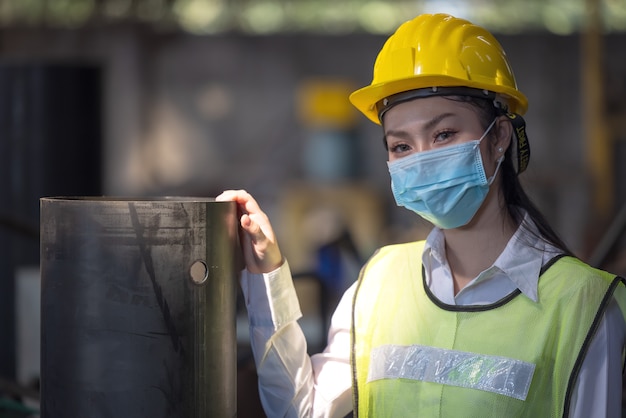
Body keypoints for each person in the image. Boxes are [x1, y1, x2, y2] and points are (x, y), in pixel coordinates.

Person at [217, 13, 626, 418]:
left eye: (443, 135)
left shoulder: (584, 305)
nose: (424, 160)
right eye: (401, 146)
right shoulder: (378, 283)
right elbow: (300, 410)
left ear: (499, 136)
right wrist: (266, 276)